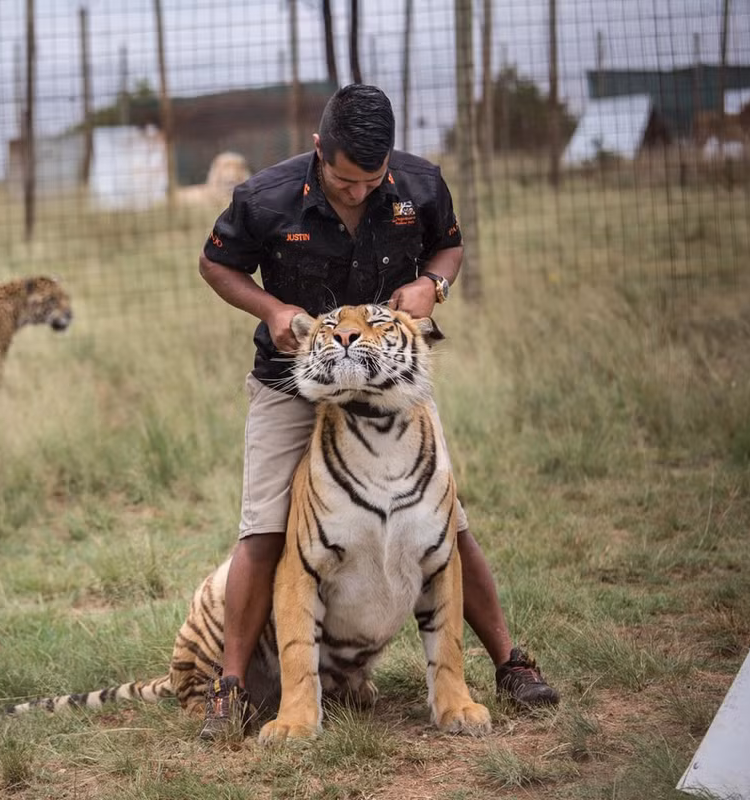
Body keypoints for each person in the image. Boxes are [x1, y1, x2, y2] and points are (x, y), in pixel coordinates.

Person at [197, 84, 559, 740]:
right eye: (343, 179)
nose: (358, 191)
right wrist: (273, 311)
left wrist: (432, 285)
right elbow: (216, 265)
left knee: (450, 526)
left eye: (372, 180)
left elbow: (448, 248)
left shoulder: (420, 184)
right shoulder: (266, 197)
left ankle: (510, 662)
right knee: (265, 529)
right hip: (295, 378)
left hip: (392, 379)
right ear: (318, 151)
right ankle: (228, 689)